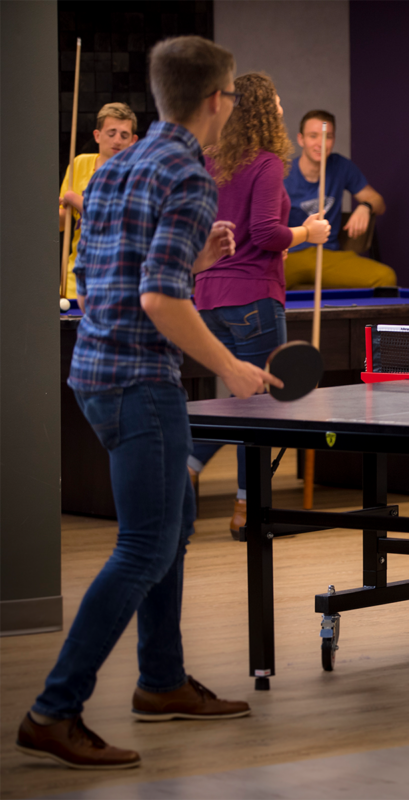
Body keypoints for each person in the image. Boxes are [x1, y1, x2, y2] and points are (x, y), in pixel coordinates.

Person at [17, 36, 282, 771]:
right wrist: (231, 364)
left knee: (176, 519)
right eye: (230, 96)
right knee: (143, 546)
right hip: (140, 379)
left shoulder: (114, 167)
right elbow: (159, 298)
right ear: (216, 100)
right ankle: (54, 709)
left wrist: (197, 259)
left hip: (94, 372)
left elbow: (103, 274)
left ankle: (161, 682)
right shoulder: (189, 177)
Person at [187, 73, 331, 535]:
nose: (283, 104)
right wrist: (309, 233)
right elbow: (268, 232)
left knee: (243, 400)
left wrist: (282, 241)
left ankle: (203, 471)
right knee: (260, 406)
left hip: (207, 297)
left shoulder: (211, 159)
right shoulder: (267, 162)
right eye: (276, 98)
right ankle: (242, 507)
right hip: (251, 296)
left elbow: (232, 228)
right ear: (263, 110)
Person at [282, 110, 394, 289]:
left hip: (327, 254)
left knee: (385, 277)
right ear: (301, 139)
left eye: (328, 136)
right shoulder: (282, 172)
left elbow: (378, 202)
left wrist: (365, 206)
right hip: (290, 254)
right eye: (313, 136)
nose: (321, 143)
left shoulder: (341, 166)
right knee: (257, 285)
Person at [58, 102, 139, 299]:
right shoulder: (78, 163)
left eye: (124, 135)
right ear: (97, 135)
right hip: (77, 280)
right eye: (111, 133)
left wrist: (75, 199)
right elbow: (63, 223)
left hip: (121, 282)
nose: (117, 141)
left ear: (133, 141)